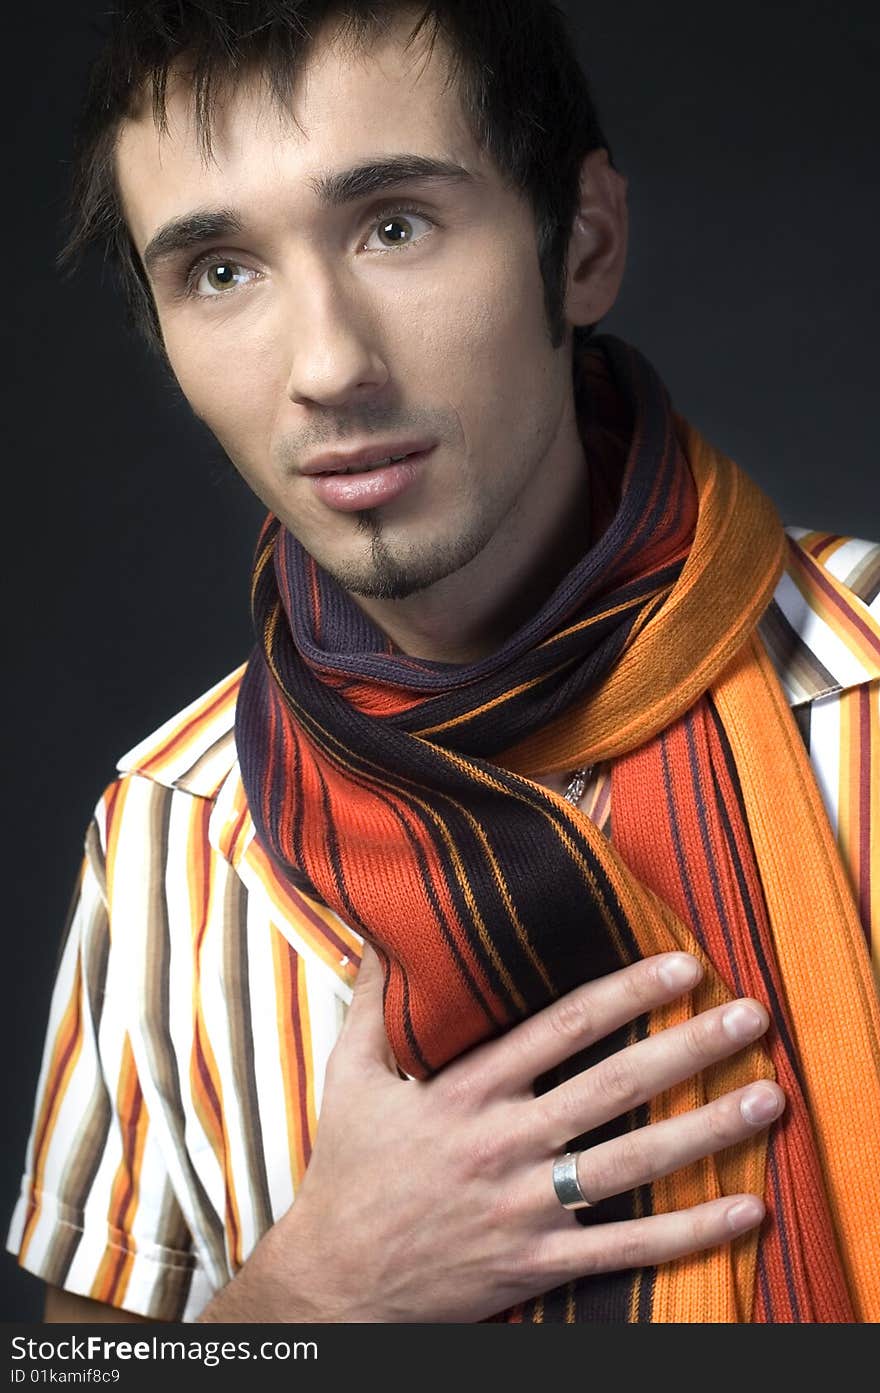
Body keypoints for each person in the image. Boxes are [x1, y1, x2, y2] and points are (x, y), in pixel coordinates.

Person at [8, 0, 880, 1325]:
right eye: (222, 271)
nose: (328, 366)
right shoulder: (164, 835)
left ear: (581, 245)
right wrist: (315, 1292)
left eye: (395, 227)